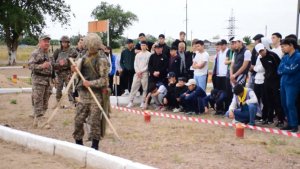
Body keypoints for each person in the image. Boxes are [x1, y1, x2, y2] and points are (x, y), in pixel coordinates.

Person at [71, 33, 109, 150]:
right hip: (83, 95)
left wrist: (91, 83)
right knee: (78, 120)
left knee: (94, 122)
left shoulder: (101, 60)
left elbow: (104, 80)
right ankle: (78, 144)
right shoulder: (82, 57)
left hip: (95, 95)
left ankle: (94, 146)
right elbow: (77, 73)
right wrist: (74, 70)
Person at [28, 34, 64, 127]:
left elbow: (52, 65)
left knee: (46, 99)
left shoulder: (48, 54)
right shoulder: (35, 53)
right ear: (40, 42)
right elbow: (30, 65)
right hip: (39, 80)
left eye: (48, 41)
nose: (47, 43)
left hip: (47, 80)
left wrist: (59, 65)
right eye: (45, 41)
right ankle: (40, 120)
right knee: (38, 99)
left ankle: (38, 118)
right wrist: (41, 66)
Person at [255, 42, 284, 127]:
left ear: (265, 48)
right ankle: (268, 118)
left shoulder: (273, 55)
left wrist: (278, 79)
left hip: (276, 81)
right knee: (267, 100)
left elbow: (279, 67)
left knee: (277, 101)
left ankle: (281, 120)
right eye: (260, 52)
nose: (262, 52)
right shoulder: (261, 58)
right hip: (267, 81)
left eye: (262, 50)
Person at [277, 38, 300, 133]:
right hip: (283, 83)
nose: (284, 48)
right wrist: (287, 69)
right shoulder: (285, 57)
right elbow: (279, 70)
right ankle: (289, 123)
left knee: (290, 104)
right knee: (284, 104)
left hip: (293, 84)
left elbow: (293, 70)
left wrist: (285, 69)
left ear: (291, 45)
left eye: (285, 45)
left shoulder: (298, 56)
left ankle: (294, 124)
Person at [53, 36, 78, 106]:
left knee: (70, 88)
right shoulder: (58, 51)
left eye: (66, 42)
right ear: (61, 43)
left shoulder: (72, 50)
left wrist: (74, 60)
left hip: (68, 72)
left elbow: (79, 57)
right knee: (58, 88)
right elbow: (53, 60)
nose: (64, 44)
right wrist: (56, 68)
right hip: (59, 72)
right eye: (63, 42)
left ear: (68, 43)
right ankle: (58, 102)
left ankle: (71, 102)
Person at [126, 41, 151, 108]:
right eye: (142, 45)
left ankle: (143, 102)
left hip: (145, 73)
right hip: (137, 73)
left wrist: (141, 71)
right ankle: (131, 101)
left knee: (145, 88)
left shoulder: (149, 54)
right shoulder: (137, 55)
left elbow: (148, 65)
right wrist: (138, 72)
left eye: (144, 45)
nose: (143, 46)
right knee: (134, 87)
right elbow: (135, 64)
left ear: (146, 46)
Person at [225, 37, 235, 114]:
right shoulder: (229, 51)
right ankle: (228, 109)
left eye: (232, 44)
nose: (231, 46)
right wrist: (232, 61)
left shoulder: (238, 52)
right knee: (228, 91)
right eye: (230, 44)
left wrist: (230, 61)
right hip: (228, 72)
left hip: (236, 72)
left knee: (235, 92)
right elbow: (225, 62)